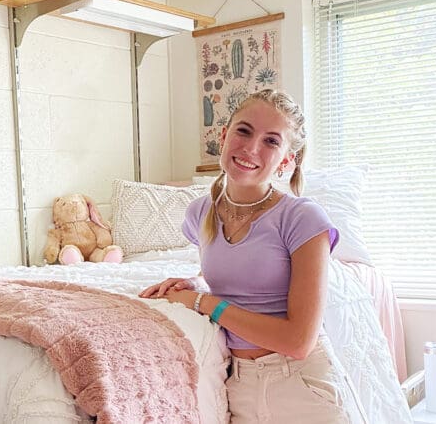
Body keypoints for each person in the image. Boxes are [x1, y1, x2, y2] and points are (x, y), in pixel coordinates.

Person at [140, 89, 362, 423]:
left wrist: (203, 302)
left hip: (302, 383)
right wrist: (195, 281)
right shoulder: (199, 213)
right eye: (244, 131)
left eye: (271, 141)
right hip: (239, 384)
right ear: (224, 135)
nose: (251, 148)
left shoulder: (303, 218)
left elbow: (299, 341)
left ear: (286, 161)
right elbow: (242, 271)